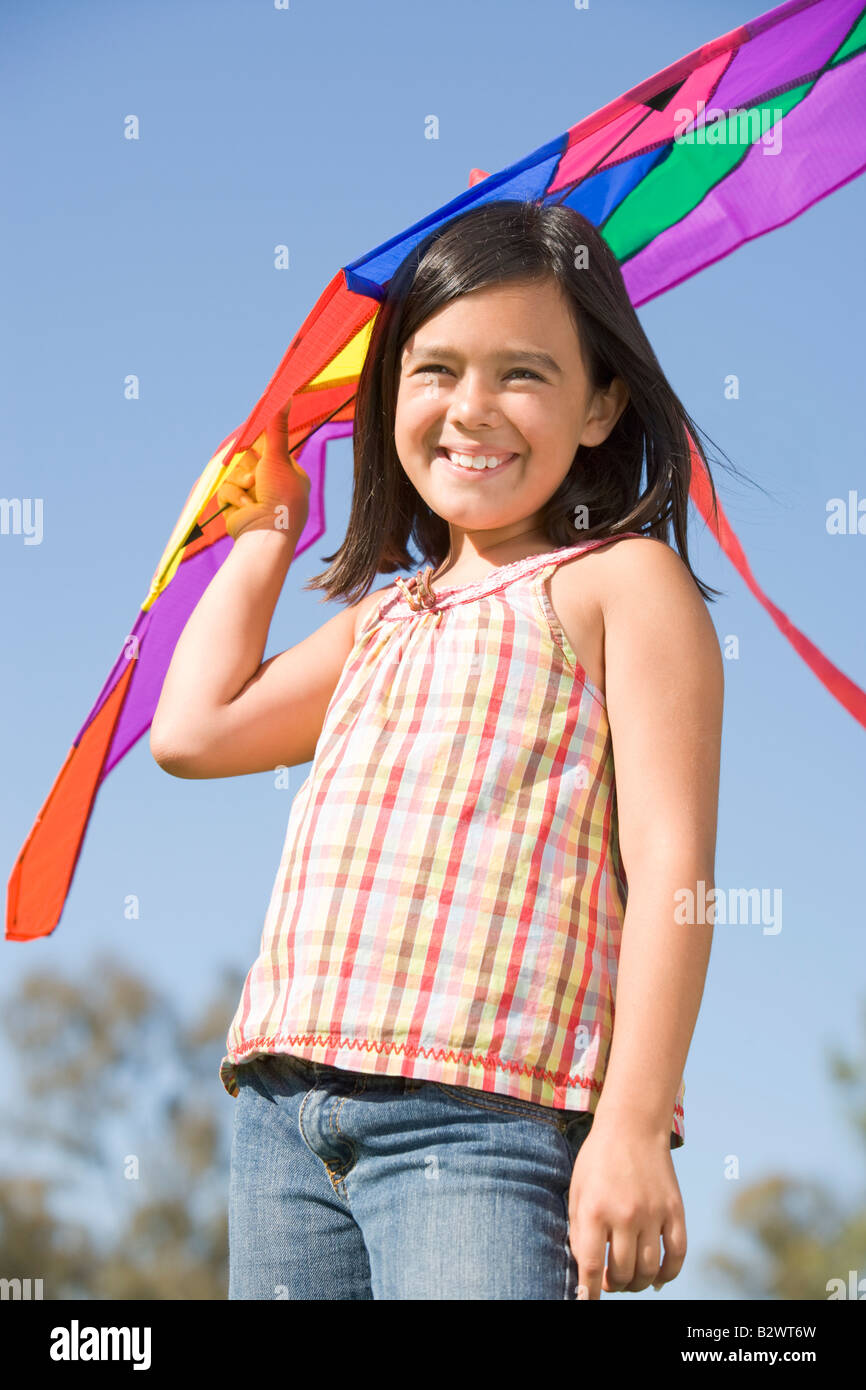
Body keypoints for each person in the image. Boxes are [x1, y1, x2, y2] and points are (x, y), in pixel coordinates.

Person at [150, 199, 724, 1301]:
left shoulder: (613, 583)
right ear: (389, 391)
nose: (472, 409)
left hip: (481, 1116)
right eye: (435, 368)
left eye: (523, 373)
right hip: (283, 1112)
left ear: (601, 404)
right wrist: (268, 537)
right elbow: (193, 732)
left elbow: (673, 873)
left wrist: (633, 1125)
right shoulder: (384, 616)